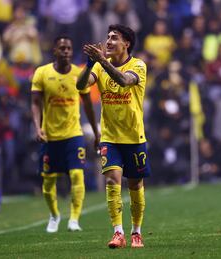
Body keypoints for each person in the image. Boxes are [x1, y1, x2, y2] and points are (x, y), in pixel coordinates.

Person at [77, 24, 151, 248]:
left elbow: (123, 80)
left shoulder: (138, 65)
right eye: (107, 37)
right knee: (112, 179)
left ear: (126, 43)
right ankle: (118, 232)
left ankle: (136, 232)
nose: (108, 41)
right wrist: (91, 63)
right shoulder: (99, 68)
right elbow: (80, 85)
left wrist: (102, 61)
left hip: (134, 137)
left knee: (135, 185)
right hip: (109, 137)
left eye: (114, 38)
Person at [31, 36, 99, 233]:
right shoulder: (42, 73)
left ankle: (74, 219)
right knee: (48, 180)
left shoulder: (80, 74)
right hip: (50, 136)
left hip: (73, 134)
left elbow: (87, 105)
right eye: (62, 48)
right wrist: (38, 127)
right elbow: (35, 103)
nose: (66, 51)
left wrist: (96, 133)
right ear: (55, 51)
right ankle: (54, 215)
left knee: (77, 174)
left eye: (69, 48)